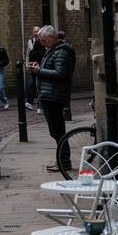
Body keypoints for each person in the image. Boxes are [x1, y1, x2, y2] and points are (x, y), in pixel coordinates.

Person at [29, 25, 77, 170]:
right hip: (50, 95)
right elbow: (54, 68)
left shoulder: (61, 51)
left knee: (58, 131)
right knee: (55, 131)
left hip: (55, 96)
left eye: (44, 40)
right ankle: (62, 161)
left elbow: (60, 73)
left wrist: (39, 71)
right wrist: (39, 66)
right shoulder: (53, 50)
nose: (42, 43)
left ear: (51, 37)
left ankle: (64, 163)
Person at [24, 25, 45, 113]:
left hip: (40, 66)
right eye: (35, 31)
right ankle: (29, 102)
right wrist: (27, 64)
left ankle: (40, 106)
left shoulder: (43, 41)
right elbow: (28, 54)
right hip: (32, 66)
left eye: (38, 31)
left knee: (39, 85)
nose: (36, 33)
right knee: (31, 84)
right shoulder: (30, 41)